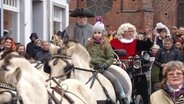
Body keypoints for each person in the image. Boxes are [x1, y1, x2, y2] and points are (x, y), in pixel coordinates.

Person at [85, 22, 129, 104]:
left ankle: (122, 97)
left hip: (101, 68)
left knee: (114, 79)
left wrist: (104, 65)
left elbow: (110, 57)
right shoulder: (88, 44)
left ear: (102, 33)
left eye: (99, 33)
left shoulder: (106, 45)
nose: (97, 35)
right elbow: (84, 54)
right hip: (89, 67)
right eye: (95, 33)